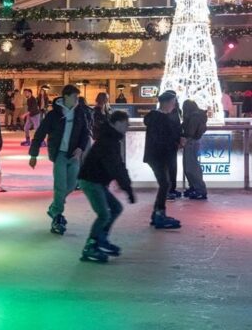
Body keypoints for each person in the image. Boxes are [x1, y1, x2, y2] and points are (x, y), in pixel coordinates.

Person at [29, 85, 90, 235]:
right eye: (75, 97)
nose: (77, 99)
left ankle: (54, 209)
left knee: (72, 185)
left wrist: (81, 148)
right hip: (60, 155)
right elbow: (40, 133)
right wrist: (33, 154)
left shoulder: (80, 113)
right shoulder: (54, 115)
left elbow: (85, 133)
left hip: (74, 155)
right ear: (66, 97)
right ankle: (57, 216)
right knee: (60, 186)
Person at [77, 111, 136, 263]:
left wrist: (127, 187)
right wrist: (127, 188)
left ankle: (101, 239)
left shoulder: (113, 139)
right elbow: (115, 167)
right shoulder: (108, 141)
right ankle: (90, 247)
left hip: (98, 181)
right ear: (117, 123)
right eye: (125, 124)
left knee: (116, 208)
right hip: (91, 180)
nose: (127, 127)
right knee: (104, 214)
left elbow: (119, 166)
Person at [143, 90, 182, 229]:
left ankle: (158, 213)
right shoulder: (160, 118)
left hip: (158, 155)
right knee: (165, 184)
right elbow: (161, 138)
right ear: (167, 102)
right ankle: (159, 214)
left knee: (165, 183)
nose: (175, 104)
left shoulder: (161, 117)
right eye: (173, 101)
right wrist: (174, 143)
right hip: (158, 156)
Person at [182, 99, 208, 200]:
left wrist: (182, 136)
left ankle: (199, 190)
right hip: (193, 142)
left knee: (191, 167)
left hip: (191, 142)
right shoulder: (198, 115)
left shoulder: (194, 117)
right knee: (190, 166)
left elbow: (190, 131)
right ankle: (195, 187)